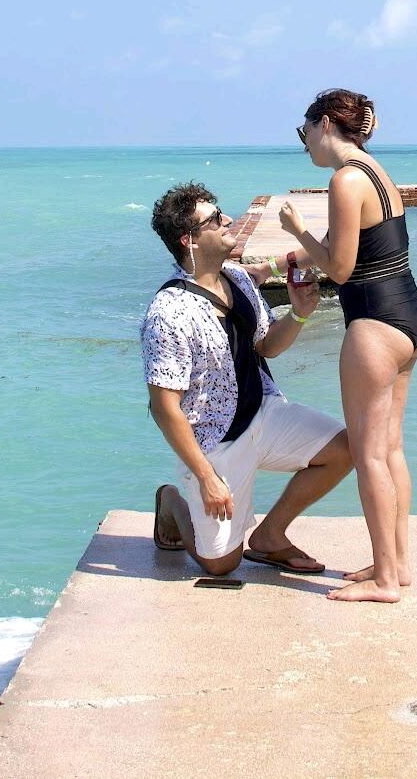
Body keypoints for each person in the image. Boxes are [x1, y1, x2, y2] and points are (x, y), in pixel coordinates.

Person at [140, 182, 353, 577]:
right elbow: (164, 408)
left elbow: (266, 347)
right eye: (216, 219)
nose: (229, 221)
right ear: (189, 239)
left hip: (264, 411)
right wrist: (206, 477)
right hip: (216, 442)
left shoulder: (237, 279)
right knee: (220, 564)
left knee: (345, 449)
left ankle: (270, 536)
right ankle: (172, 500)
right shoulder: (167, 313)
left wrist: (300, 313)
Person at [278, 89, 417, 604]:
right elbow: (362, 248)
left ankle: (386, 582)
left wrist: (297, 228)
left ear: (323, 126)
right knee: (391, 449)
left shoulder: (344, 179)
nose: (305, 146)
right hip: (409, 315)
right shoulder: (376, 172)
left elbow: (338, 269)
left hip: (373, 324)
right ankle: (397, 565)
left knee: (367, 456)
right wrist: (273, 265)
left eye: (304, 135)